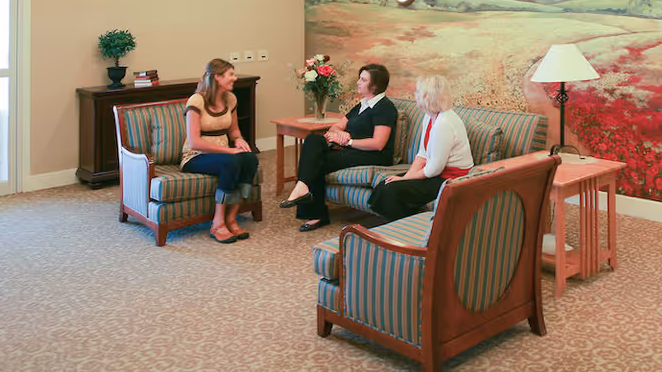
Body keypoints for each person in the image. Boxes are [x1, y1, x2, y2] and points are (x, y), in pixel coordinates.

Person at [279, 63, 398, 232]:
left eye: (363, 80)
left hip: (374, 155)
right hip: (353, 149)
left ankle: (312, 206)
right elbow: (335, 127)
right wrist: (342, 134)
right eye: (359, 78)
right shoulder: (362, 105)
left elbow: (378, 144)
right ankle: (303, 188)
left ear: (375, 86)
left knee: (316, 160)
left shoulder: (385, 108)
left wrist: (347, 142)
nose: (358, 82)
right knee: (313, 140)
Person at [368, 75, 473, 221]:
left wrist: (405, 178)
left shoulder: (444, 123)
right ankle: (407, 225)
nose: (414, 95)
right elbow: (422, 154)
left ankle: (410, 231)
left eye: (417, 91)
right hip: (436, 174)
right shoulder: (429, 116)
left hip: (450, 180)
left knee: (390, 191)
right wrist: (406, 178)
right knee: (383, 185)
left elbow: (434, 169)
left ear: (426, 96)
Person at [181, 59, 260, 244]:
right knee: (231, 161)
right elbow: (195, 142)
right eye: (230, 75)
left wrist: (239, 140)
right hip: (196, 156)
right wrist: (228, 151)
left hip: (222, 154)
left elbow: (234, 131)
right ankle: (217, 222)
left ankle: (232, 218)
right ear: (217, 77)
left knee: (250, 159)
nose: (235, 78)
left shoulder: (230, 99)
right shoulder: (197, 100)